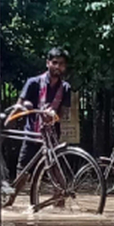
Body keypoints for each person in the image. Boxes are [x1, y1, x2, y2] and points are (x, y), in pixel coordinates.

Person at [13, 47, 71, 178]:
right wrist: (8, 121)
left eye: (61, 64)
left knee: (56, 172)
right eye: (54, 62)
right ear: (47, 63)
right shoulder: (33, 83)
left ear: (65, 67)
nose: (57, 66)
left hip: (52, 137)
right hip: (32, 134)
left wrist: (53, 117)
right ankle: (11, 198)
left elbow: (63, 113)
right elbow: (19, 105)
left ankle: (60, 197)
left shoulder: (65, 88)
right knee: (22, 173)